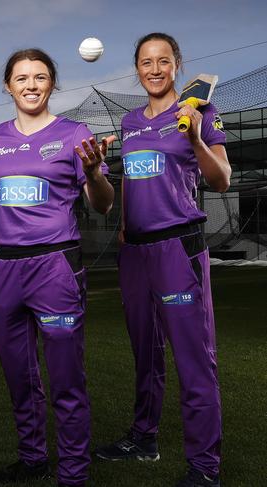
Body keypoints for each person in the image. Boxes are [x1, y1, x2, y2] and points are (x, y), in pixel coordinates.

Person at [0, 48, 115, 487]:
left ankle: (74, 475)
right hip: (3, 270)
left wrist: (96, 173)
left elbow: (102, 205)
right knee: (19, 377)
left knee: (66, 378)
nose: (30, 84)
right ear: (8, 85)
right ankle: (31, 461)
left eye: (40, 77)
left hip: (55, 267)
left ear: (52, 85)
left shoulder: (75, 136)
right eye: (21, 77)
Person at [93, 33, 230, 487]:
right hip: (135, 253)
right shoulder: (131, 122)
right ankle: (143, 438)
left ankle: (204, 467)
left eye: (163, 61)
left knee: (194, 358)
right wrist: (126, 233)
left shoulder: (199, 112)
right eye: (146, 62)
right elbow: (131, 181)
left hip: (178, 246)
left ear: (176, 65)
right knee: (145, 353)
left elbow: (223, 179)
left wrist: (194, 138)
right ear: (137, 69)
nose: (154, 69)